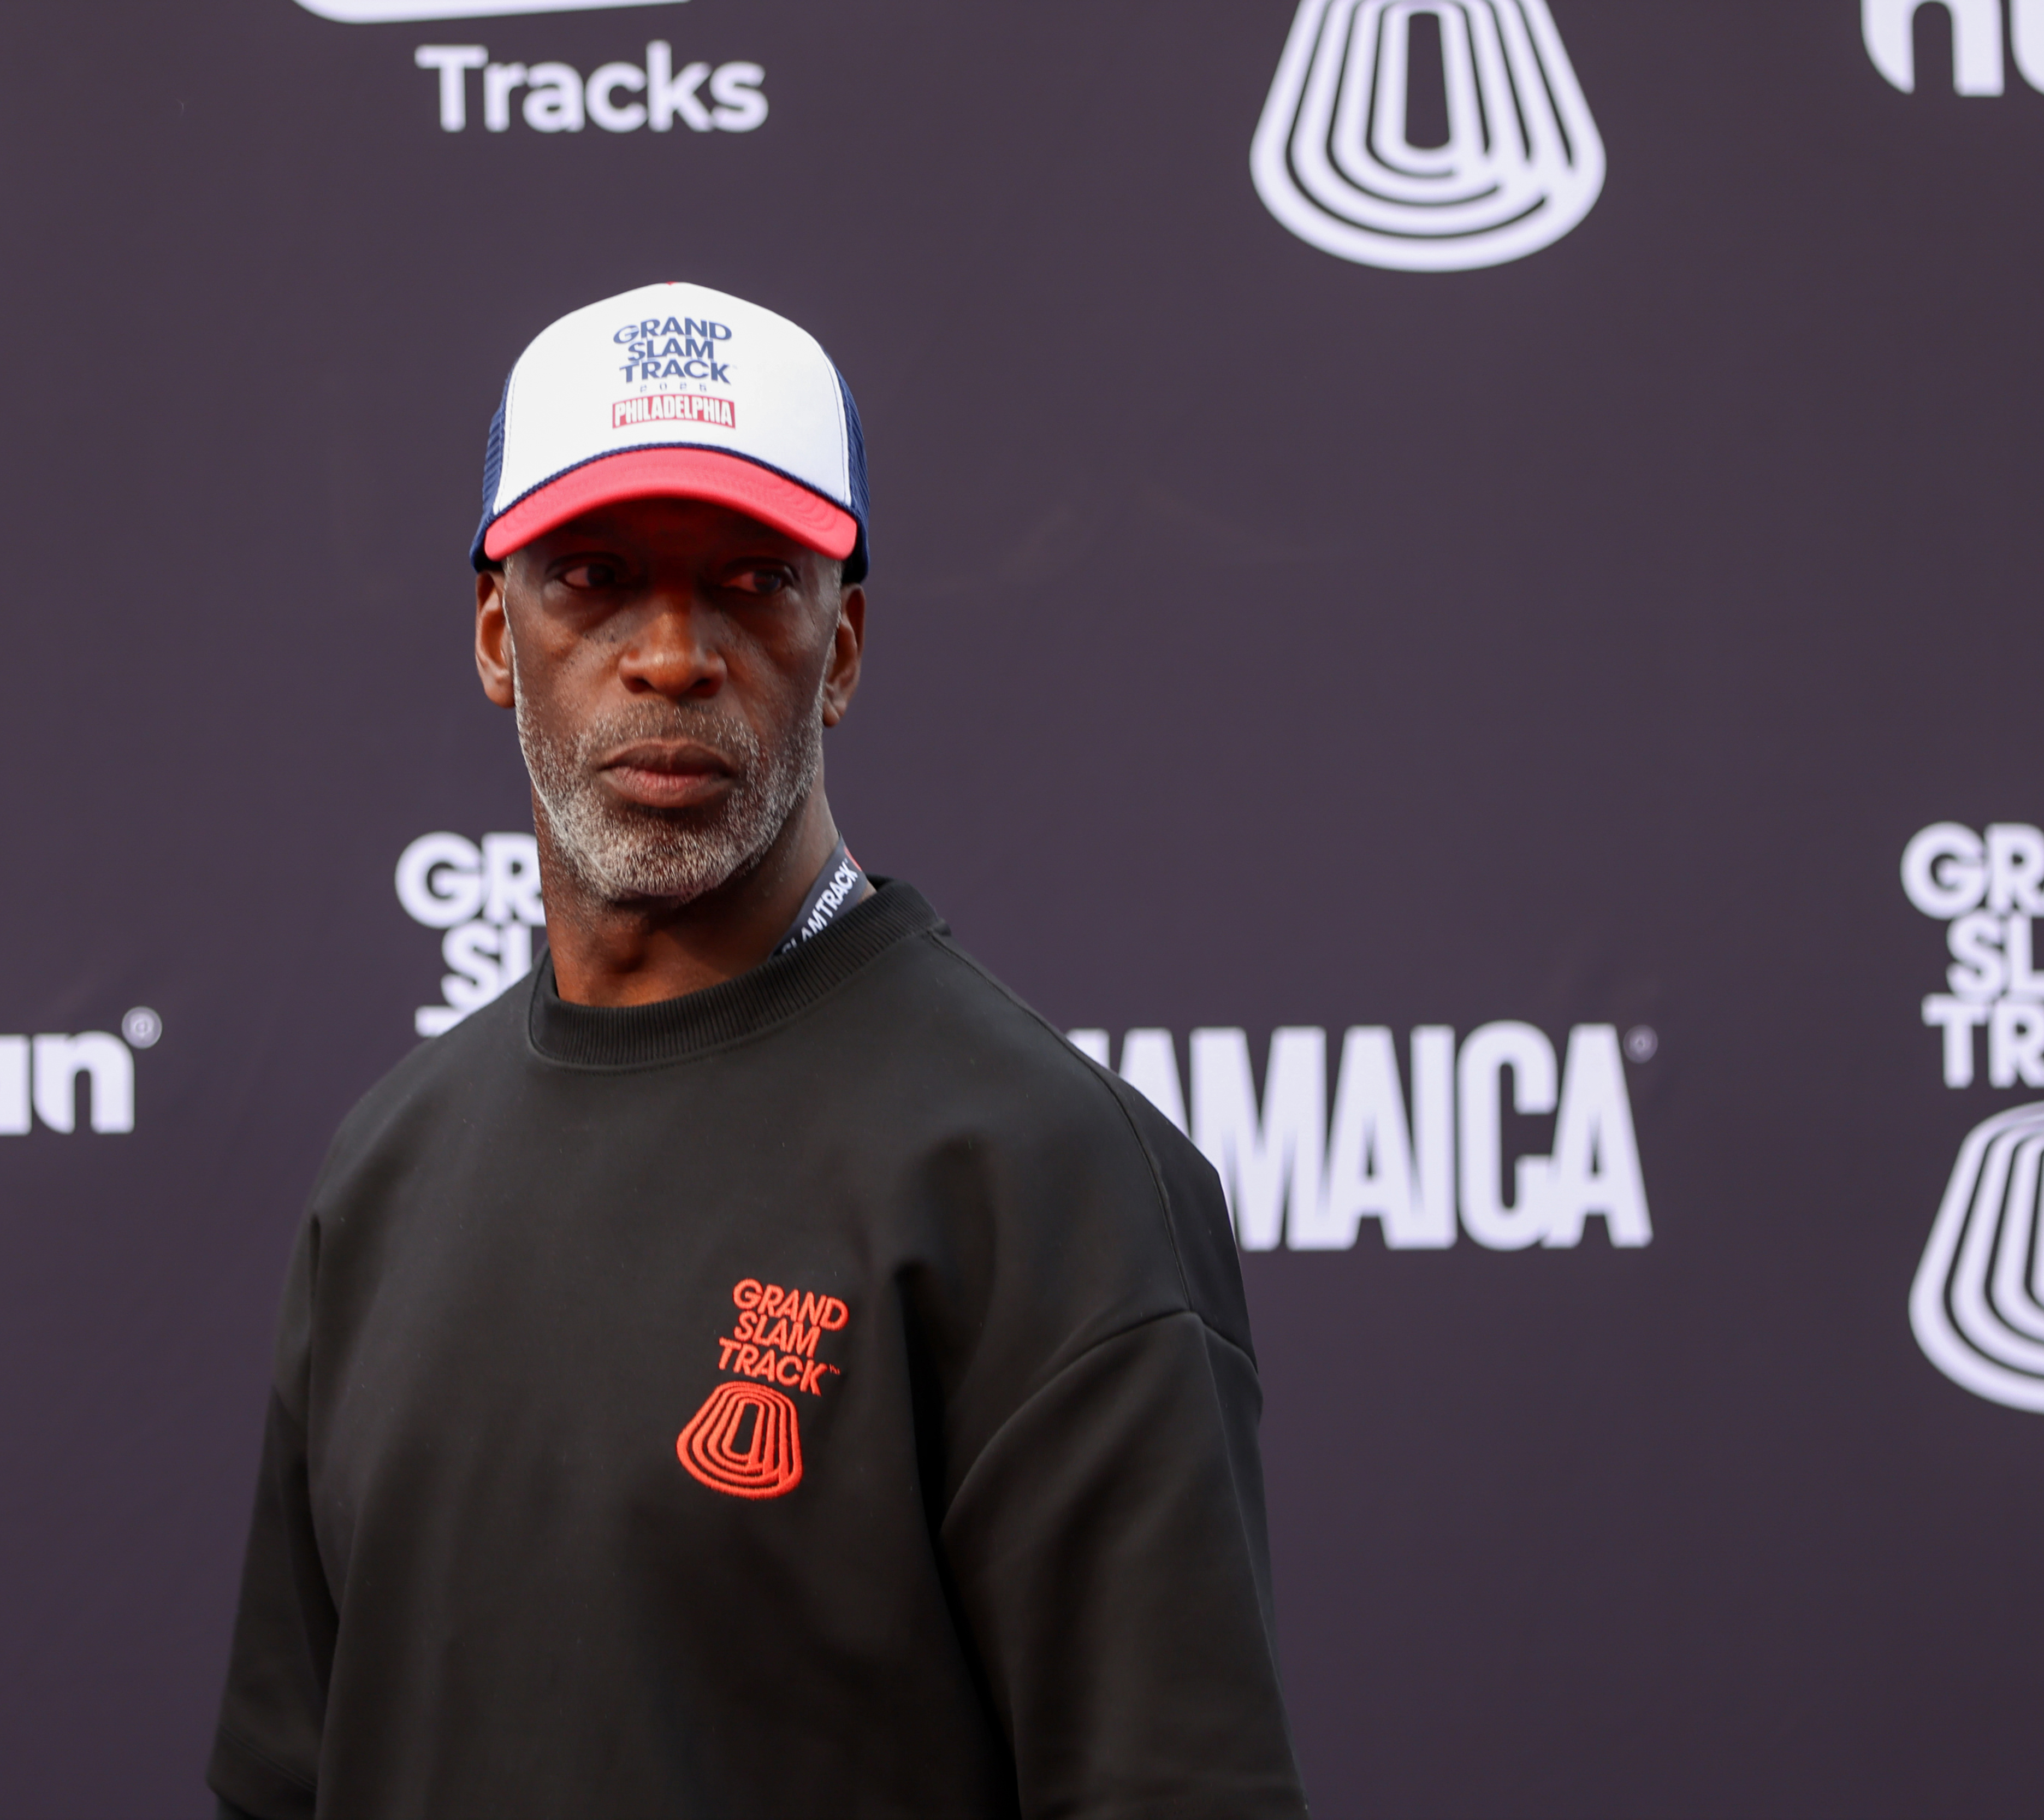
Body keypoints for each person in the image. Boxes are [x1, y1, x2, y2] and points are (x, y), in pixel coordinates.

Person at [206, 281, 1308, 1819]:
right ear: (493, 636)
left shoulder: (1043, 1176)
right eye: (592, 576)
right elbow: (286, 1781)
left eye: (749, 579)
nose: (671, 653)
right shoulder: (388, 1167)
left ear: (841, 645)